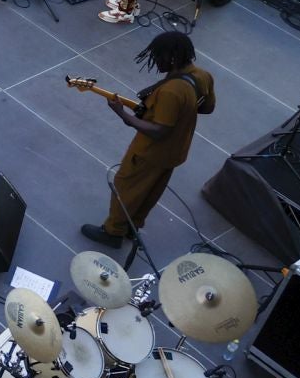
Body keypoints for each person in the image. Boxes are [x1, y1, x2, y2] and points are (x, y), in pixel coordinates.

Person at [81, 31, 215, 249]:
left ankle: (113, 232)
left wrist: (122, 114)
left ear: (172, 58)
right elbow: (207, 107)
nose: (155, 63)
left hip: (150, 152)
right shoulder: (202, 76)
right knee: (150, 191)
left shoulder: (171, 91)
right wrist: (183, 111)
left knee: (126, 187)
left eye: (158, 57)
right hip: (176, 152)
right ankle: (133, 228)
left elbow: (158, 131)